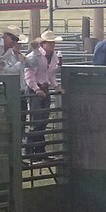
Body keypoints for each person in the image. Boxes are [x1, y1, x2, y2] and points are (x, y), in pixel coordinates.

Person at [23, 31, 64, 160]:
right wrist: (36, 89)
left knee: (42, 121)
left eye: (53, 42)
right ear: (43, 44)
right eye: (49, 42)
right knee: (37, 121)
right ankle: (31, 152)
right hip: (36, 89)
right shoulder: (34, 56)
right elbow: (29, 75)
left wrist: (55, 85)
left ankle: (37, 152)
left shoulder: (53, 57)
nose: (52, 45)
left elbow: (50, 74)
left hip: (43, 88)